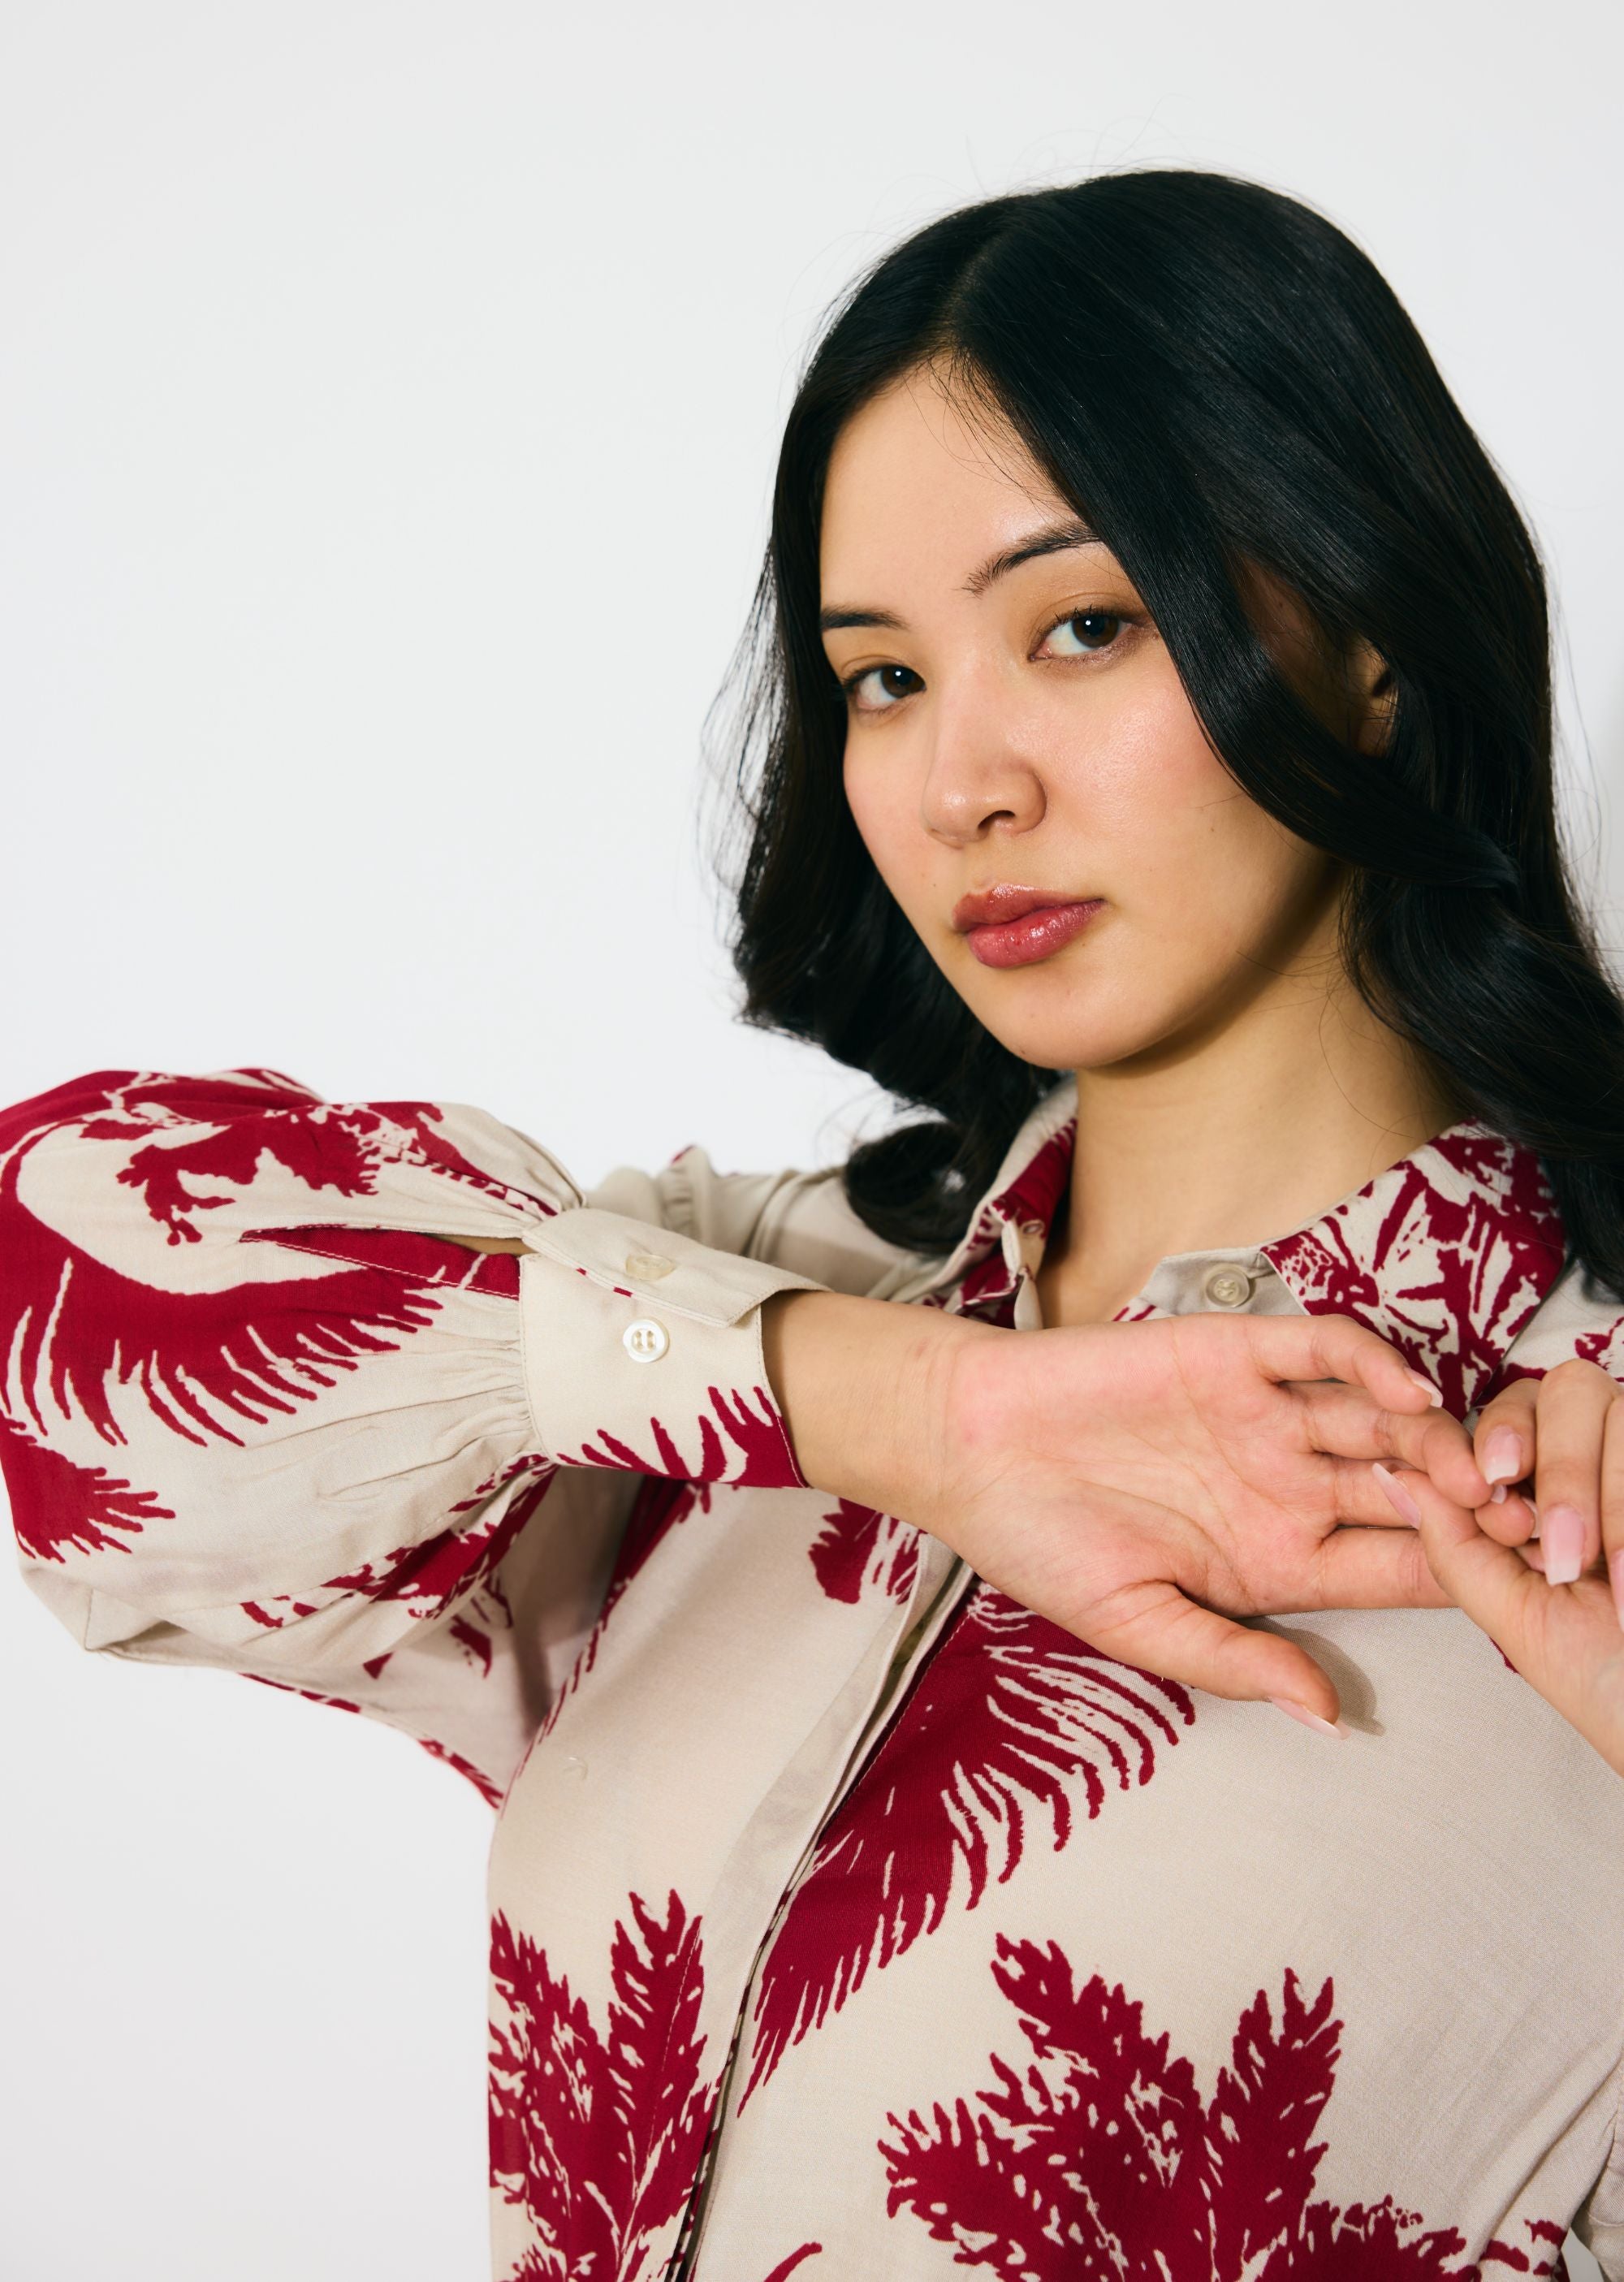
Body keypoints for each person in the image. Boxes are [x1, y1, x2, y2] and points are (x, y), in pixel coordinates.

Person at [4, 167, 1623, 2279]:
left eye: (1082, 624)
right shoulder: (748, 1332)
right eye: (877, 677)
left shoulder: (1564, 1490)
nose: (962, 783)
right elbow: (67, 1296)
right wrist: (910, 1413)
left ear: (1373, 644)